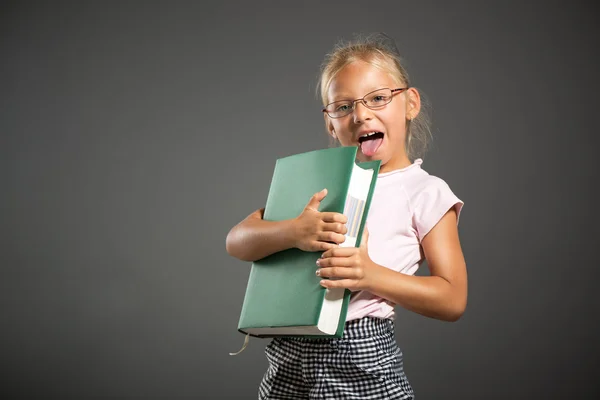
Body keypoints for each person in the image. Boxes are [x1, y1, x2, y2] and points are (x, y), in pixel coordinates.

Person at [225, 33, 467, 400]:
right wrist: (294, 232)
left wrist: (370, 274)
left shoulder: (424, 191)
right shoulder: (315, 180)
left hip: (362, 360)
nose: (361, 115)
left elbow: (452, 299)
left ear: (410, 103)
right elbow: (237, 242)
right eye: (343, 107)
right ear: (329, 123)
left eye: (379, 98)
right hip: (288, 357)